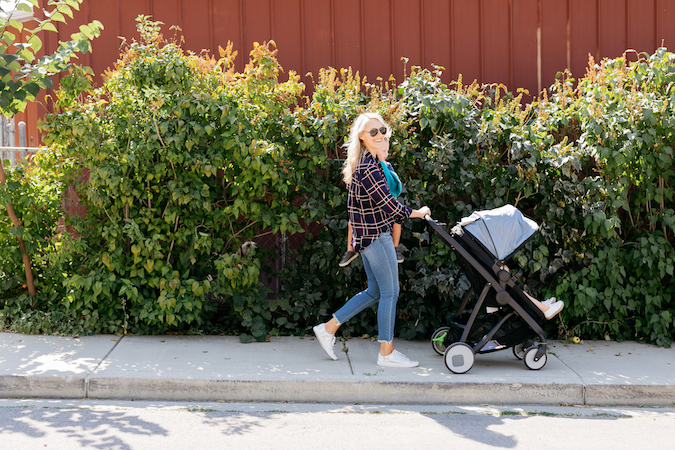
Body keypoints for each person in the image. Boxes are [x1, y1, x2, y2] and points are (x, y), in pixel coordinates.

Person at [313, 112, 431, 368]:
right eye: (373, 132)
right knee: (391, 292)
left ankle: (328, 328)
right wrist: (419, 213)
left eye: (382, 130)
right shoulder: (369, 168)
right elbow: (391, 207)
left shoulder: (371, 163)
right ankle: (386, 352)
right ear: (362, 137)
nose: (379, 135)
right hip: (376, 237)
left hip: (370, 237)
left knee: (375, 291)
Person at [339, 159, 404, 267]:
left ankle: (395, 248)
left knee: (397, 221)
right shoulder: (360, 166)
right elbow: (347, 175)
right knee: (352, 223)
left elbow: (393, 186)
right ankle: (350, 250)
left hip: (384, 204)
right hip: (367, 207)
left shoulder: (385, 166)